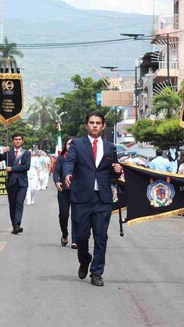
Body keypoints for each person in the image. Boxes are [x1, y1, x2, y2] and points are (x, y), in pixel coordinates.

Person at [63, 112, 123, 287]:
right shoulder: (76, 144)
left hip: (102, 198)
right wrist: (67, 173)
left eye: (98, 123)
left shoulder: (110, 147)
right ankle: (84, 258)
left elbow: (113, 170)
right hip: (81, 197)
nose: (95, 125)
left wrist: (117, 169)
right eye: (91, 122)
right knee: (81, 236)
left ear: (103, 126)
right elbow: (69, 162)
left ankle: (97, 272)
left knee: (101, 236)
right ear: (86, 125)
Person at [0, 133, 31, 234]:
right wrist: (2, 151)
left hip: (22, 182)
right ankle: (14, 225)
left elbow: (26, 166)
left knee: (19, 203)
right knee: (12, 204)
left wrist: (12, 168)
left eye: (19, 139)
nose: (17, 141)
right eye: (15, 139)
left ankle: (17, 224)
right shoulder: (8, 152)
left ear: (22, 141)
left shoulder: (26, 153)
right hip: (10, 182)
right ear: (12, 141)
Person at [53, 137, 76, 248]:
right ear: (65, 146)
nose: (70, 146)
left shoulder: (81, 158)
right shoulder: (61, 158)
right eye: (68, 144)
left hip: (77, 191)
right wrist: (57, 182)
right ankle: (65, 233)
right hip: (63, 190)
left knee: (77, 216)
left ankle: (75, 240)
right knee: (64, 215)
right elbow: (56, 172)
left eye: (72, 144)